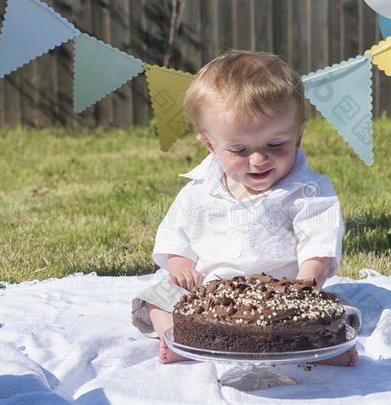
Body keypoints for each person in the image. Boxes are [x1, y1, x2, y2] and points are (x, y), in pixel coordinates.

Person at [132, 50, 359, 366]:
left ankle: (323, 349)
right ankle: (179, 338)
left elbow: (319, 247)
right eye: (239, 149)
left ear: (298, 136)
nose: (258, 159)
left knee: (339, 311)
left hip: (283, 301)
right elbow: (176, 233)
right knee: (155, 299)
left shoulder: (309, 192)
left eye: (275, 145)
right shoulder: (199, 189)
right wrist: (179, 262)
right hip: (208, 299)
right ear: (211, 146)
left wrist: (304, 289)